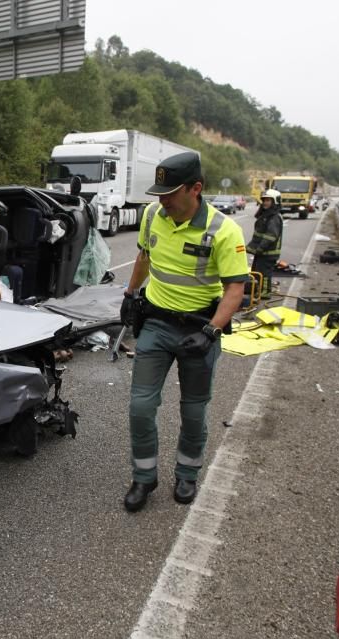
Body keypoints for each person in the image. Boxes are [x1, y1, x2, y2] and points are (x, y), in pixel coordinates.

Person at [120, 152, 248, 512]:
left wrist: (210, 332)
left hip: (200, 329)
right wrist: (130, 295)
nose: (162, 201)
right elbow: (144, 257)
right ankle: (143, 477)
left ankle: (187, 472)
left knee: (194, 410)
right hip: (157, 324)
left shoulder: (224, 231)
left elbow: (235, 290)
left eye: (171, 193)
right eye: (159, 193)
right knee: (140, 407)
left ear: (196, 189)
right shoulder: (150, 216)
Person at [247, 189, 284, 298]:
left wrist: (259, 248)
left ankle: (265, 293)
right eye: (264, 200)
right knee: (257, 271)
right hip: (263, 252)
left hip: (269, 252)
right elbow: (259, 235)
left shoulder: (274, 217)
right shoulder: (267, 216)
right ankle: (260, 290)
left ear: (275, 201)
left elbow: (270, 236)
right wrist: (251, 247)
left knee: (264, 273)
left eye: (268, 200)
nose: (265, 203)